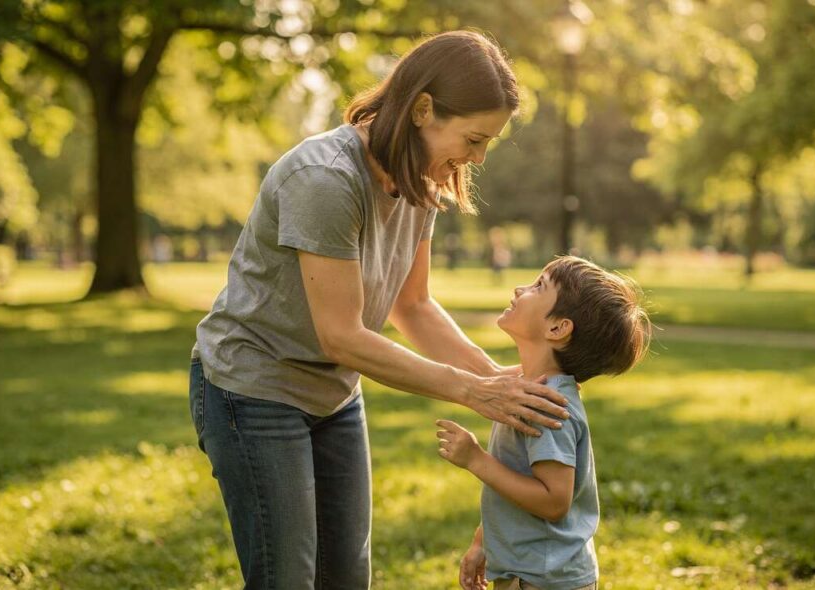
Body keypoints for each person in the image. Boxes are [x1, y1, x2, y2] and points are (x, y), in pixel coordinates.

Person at [188, 31, 571, 589]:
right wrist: (470, 391)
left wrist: (495, 378)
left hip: (334, 395)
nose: (479, 157)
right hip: (252, 387)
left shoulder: (420, 182)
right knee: (287, 580)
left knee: (347, 578)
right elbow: (341, 336)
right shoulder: (325, 179)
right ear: (422, 110)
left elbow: (412, 305)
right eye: (473, 137)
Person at [437, 256, 652, 590]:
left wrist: (476, 460)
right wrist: (484, 542)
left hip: (547, 579)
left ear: (558, 328)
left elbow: (553, 502)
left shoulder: (547, 406)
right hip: (527, 570)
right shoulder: (525, 392)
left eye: (539, 286)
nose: (519, 289)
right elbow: (517, 483)